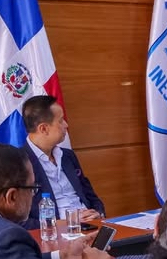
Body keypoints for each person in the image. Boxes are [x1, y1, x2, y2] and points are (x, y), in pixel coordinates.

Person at [19, 95, 105, 229]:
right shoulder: (18, 162)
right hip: (54, 233)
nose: (66, 125)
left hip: (90, 226)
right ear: (43, 128)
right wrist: (66, 222)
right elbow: (18, 221)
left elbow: (91, 196)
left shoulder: (67, 156)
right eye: (60, 121)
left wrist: (98, 213)